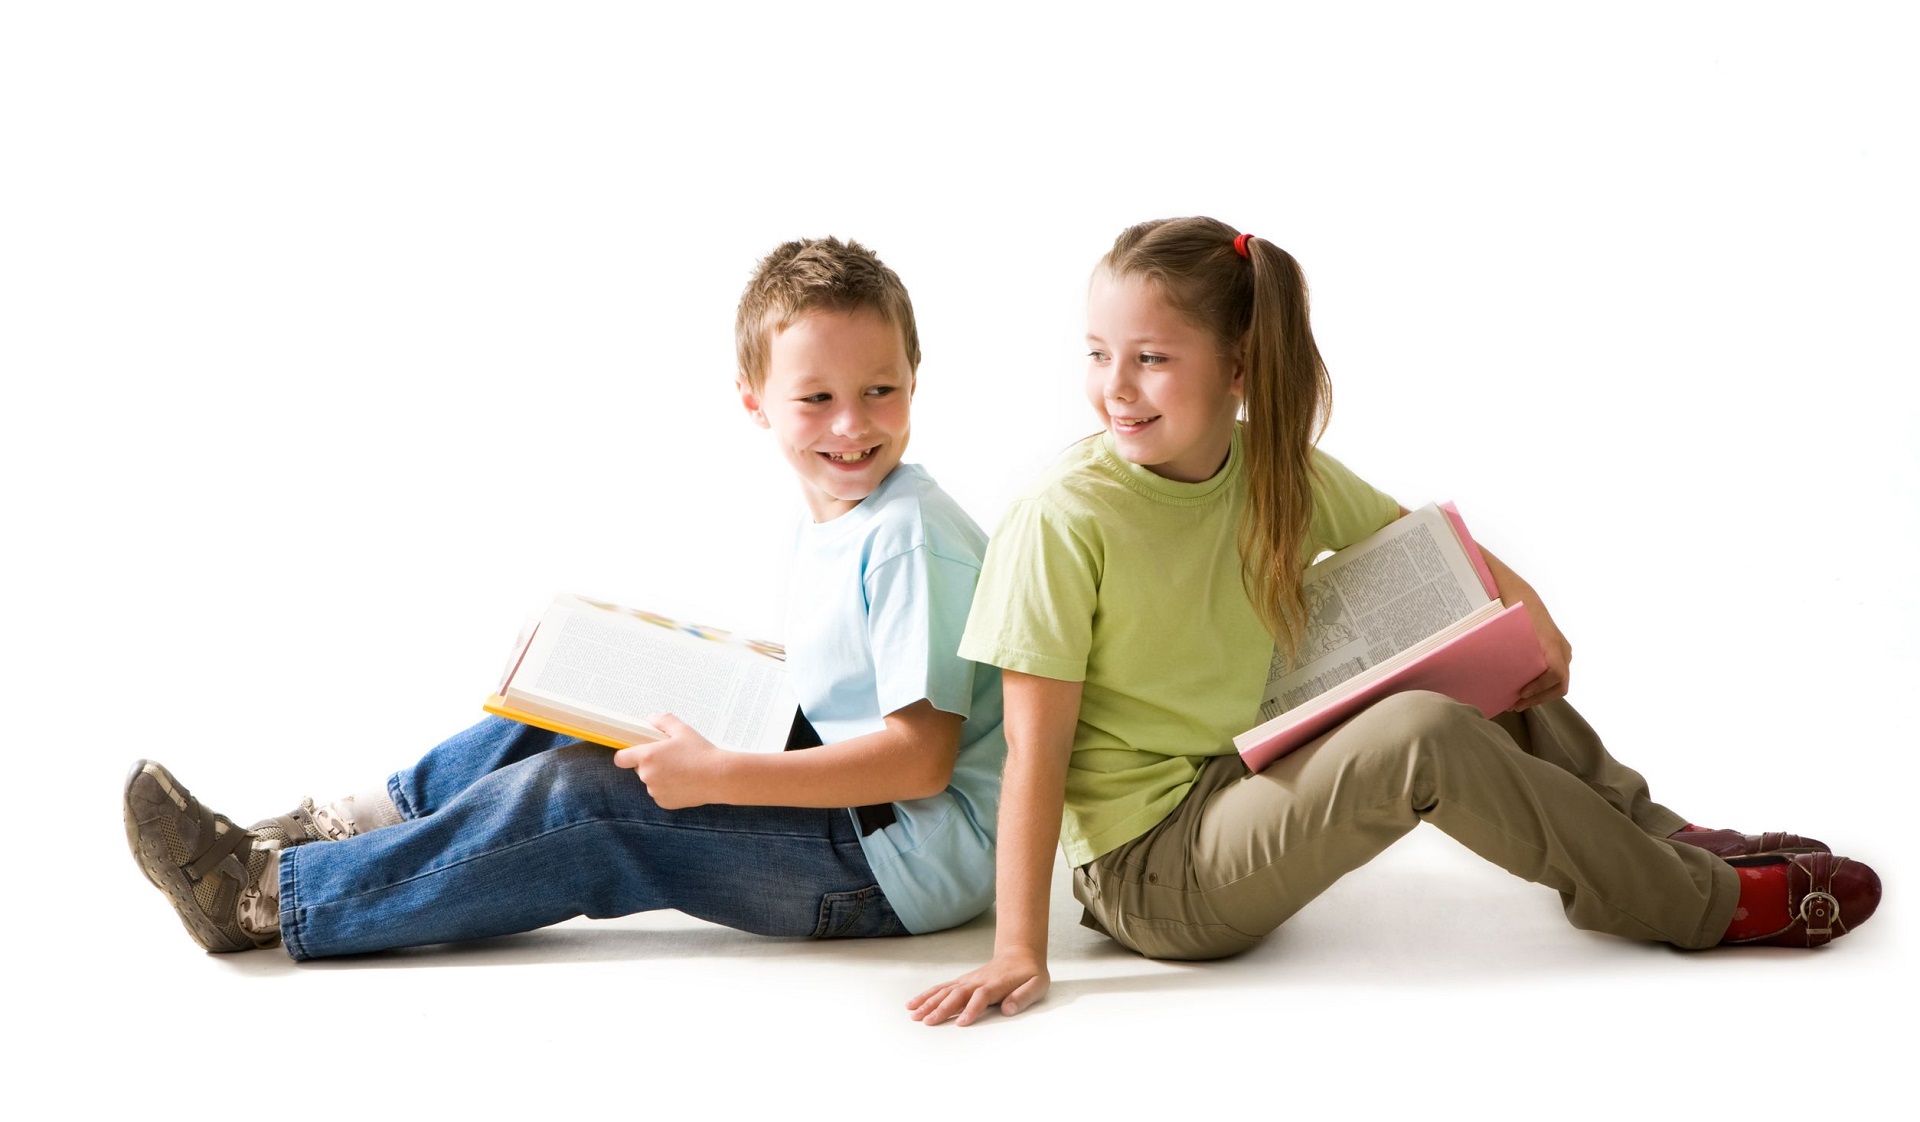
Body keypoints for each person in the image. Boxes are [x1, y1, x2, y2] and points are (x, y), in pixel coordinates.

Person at [908, 216, 1880, 1026]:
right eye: (1099, 354)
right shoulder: (1061, 517)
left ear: (1239, 367)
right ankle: (1702, 905)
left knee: (1466, 641)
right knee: (1423, 736)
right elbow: (1034, 758)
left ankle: (1665, 837)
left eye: (1152, 358)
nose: (1115, 386)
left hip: (1241, 764)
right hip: (1153, 867)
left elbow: (1428, 548)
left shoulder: (1271, 467)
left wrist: (1530, 613)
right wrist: (1017, 950)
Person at [124, 237, 1005, 959]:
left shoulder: (910, 537)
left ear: (914, 379)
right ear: (756, 404)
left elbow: (922, 760)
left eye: (879, 391)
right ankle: (328, 830)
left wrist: (722, 775)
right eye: (817, 398)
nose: (853, 424)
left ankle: (264, 900)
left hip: (895, 863)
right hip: (861, 802)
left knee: (587, 803)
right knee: (594, 707)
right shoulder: (846, 515)